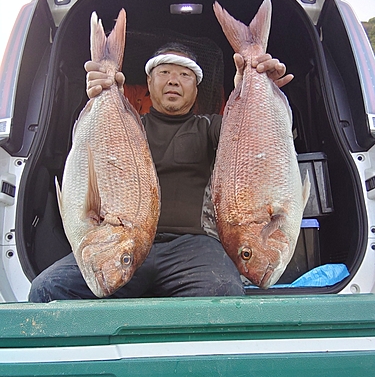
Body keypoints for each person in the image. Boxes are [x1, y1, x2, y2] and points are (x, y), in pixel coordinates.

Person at [28, 42, 292, 302]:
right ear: (149, 82)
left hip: (195, 248)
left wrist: (252, 93)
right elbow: (86, 146)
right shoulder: (123, 129)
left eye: (184, 74)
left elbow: (253, 142)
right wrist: (99, 92)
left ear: (196, 88)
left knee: (224, 293)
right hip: (122, 245)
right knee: (47, 290)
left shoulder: (213, 128)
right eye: (164, 72)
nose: (173, 80)